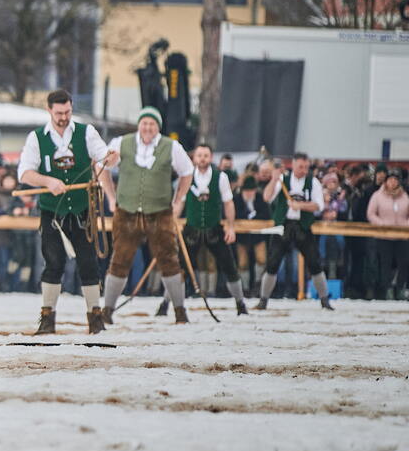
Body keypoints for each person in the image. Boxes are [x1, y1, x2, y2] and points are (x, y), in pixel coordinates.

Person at [16, 88, 115, 335]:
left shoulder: (86, 132)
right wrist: (48, 182)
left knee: (89, 263)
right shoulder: (37, 138)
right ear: (49, 110)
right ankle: (47, 318)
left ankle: (95, 317)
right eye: (59, 112)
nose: (64, 117)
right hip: (52, 213)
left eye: (68, 111)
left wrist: (111, 159)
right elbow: (25, 174)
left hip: (83, 211)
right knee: (53, 263)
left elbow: (105, 158)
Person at [100, 107, 193, 324]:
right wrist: (111, 198)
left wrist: (178, 200)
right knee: (119, 260)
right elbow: (102, 165)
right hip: (127, 211)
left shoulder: (171, 147)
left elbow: (187, 173)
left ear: (157, 127)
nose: (148, 127)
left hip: (159, 212)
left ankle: (180, 310)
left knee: (169, 260)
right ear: (139, 125)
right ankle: (107, 310)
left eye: (152, 124)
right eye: (145, 123)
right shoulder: (121, 143)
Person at [164, 143, 248, 316]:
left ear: (210, 158)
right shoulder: (186, 177)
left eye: (206, 155)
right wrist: (172, 223)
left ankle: (240, 304)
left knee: (229, 266)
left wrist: (231, 227)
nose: (202, 159)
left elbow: (228, 203)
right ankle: (166, 304)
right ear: (194, 158)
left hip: (214, 230)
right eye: (199, 155)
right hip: (191, 230)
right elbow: (179, 202)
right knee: (179, 269)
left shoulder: (221, 177)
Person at [257, 152, 333, 310]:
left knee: (314, 263)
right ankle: (263, 300)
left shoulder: (313, 182)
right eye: (300, 167)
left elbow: (319, 205)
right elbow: (266, 197)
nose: (304, 170)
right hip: (283, 225)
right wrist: (273, 179)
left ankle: (324, 300)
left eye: (306, 167)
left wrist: (301, 206)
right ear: (294, 164)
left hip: (303, 226)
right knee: (272, 263)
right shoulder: (283, 180)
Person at [366, 169, 409, 301]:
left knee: (404, 263)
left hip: (402, 235)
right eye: (390, 179)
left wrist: (408, 224)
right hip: (384, 236)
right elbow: (371, 213)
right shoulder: (378, 195)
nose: (393, 182)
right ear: (386, 181)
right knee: (385, 264)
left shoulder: (404, 195)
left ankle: (400, 288)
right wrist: (381, 224)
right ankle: (387, 289)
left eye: (395, 180)